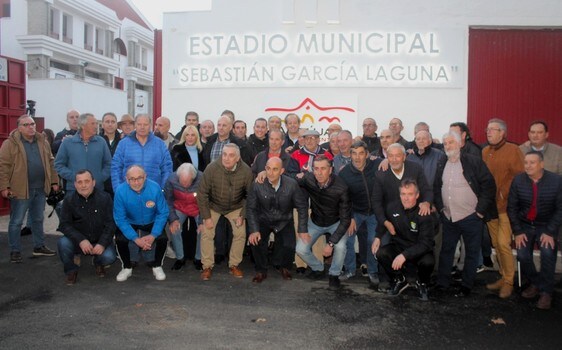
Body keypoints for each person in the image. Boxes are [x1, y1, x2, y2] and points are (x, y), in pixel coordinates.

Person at [434, 131, 497, 297]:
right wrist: (441, 209)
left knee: (471, 252)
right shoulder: (442, 163)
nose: (448, 146)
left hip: (471, 217)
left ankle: (466, 285)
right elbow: (436, 187)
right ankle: (442, 283)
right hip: (449, 217)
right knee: (446, 251)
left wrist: (480, 212)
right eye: (445, 143)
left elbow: (489, 186)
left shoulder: (473, 162)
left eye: (451, 143)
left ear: (460, 144)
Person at [0, 115, 59, 262]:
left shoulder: (42, 141)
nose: (31, 127)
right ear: (19, 128)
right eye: (26, 125)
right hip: (20, 190)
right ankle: (15, 251)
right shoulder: (10, 144)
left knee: (38, 219)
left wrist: (54, 181)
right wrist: (4, 186)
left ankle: (39, 247)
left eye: (32, 124)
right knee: (17, 221)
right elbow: (3, 166)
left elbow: (51, 163)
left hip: (40, 189)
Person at [508, 151, 562, 310]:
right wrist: (517, 231)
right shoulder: (518, 180)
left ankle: (546, 293)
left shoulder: (557, 181)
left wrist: (551, 231)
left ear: (542, 164)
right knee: (523, 255)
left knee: (547, 253)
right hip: (525, 225)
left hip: (546, 225)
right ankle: (536, 283)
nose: (528, 166)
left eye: (532, 162)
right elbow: (512, 208)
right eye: (526, 162)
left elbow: (560, 209)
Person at [197, 143, 253, 280]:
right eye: (224, 154)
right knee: (207, 232)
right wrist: (206, 217)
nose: (227, 158)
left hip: (236, 206)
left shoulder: (246, 171)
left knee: (240, 233)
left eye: (231, 155)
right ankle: (207, 266)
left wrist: (242, 215)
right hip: (214, 205)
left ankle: (234, 264)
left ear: (238, 158)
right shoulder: (211, 168)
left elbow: (250, 196)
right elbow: (202, 193)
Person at [247, 157, 308, 283]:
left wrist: (302, 229)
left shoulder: (292, 184)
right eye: (268, 169)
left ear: (282, 171)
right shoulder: (257, 184)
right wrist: (254, 229)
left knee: (289, 245)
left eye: (275, 169)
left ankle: (284, 267)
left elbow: (302, 206)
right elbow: (251, 208)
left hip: (284, 220)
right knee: (256, 241)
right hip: (263, 219)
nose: (271, 172)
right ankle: (261, 270)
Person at [482, 118, 524, 299]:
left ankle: (509, 281)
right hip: (490, 208)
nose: (489, 132)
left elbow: (519, 175)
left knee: (502, 243)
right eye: (488, 129)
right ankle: (503, 276)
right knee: (495, 244)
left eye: (493, 129)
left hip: (506, 207)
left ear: (503, 133)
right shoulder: (485, 151)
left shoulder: (514, 150)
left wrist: (502, 193)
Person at [372, 179, 435, 300]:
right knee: (381, 253)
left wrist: (404, 256)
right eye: (403, 194)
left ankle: (422, 283)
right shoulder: (392, 207)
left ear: (417, 195)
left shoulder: (424, 213)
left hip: (419, 249)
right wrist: (377, 237)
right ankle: (399, 279)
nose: (406, 198)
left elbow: (426, 243)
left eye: (410, 194)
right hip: (400, 245)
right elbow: (383, 221)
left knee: (428, 262)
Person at [296, 155, 352, 290]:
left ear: (330, 170)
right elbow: (290, 178)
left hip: (336, 222)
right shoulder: (309, 179)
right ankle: (318, 269)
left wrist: (331, 243)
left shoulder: (342, 188)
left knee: (340, 247)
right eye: (316, 169)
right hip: (315, 221)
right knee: (300, 249)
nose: (319, 173)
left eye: (323, 169)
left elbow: (345, 220)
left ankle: (334, 275)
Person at [57, 170, 117, 285]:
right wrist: (81, 240)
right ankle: (71, 270)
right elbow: (64, 225)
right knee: (62, 243)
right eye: (79, 182)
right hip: (78, 241)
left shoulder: (105, 198)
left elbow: (111, 223)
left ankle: (97, 261)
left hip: (98, 240)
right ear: (75, 184)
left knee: (109, 257)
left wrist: (102, 243)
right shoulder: (69, 200)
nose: (83, 185)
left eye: (87, 181)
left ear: (93, 182)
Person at [113, 165, 169, 281]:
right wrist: (135, 239)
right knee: (120, 239)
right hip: (130, 221)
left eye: (139, 178)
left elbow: (162, 213)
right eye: (132, 179)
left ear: (145, 177)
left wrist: (153, 234)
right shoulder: (120, 191)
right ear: (127, 180)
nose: (136, 182)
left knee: (162, 238)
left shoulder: (155, 188)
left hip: (151, 220)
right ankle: (127, 267)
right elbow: (120, 218)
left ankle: (157, 265)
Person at [338, 141, 382, 286]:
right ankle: (349, 269)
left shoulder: (377, 165)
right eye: (354, 154)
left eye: (361, 153)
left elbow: (394, 161)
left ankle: (372, 271)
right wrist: (350, 217)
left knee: (372, 241)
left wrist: (387, 160)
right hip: (355, 212)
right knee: (347, 240)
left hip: (374, 212)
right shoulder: (344, 173)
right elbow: (344, 199)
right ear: (350, 155)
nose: (357, 157)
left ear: (367, 154)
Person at [111, 114, 173, 191]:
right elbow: (116, 167)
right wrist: (118, 189)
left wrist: (163, 190)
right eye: (139, 124)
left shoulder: (160, 144)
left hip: (153, 192)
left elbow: (167, 168)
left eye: (145, 124)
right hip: (128, 191)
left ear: (150, 126)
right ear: (135, 126)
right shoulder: (123, 144)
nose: (142, 127)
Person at [55, 113, 112, 195]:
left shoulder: (101, 142)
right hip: (73, 190)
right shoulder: (68, 142)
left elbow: (109, 164)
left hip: (97, 189)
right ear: (83, 126)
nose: (96, 126)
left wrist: (99, 178)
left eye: (96, 123)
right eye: (93, 123)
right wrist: (74, 177)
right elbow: (58, 165)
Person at [164, 163, 203, 271]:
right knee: (174, 228)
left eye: (188, 182)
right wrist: (173, 219)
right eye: (182, 182)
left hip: (198, 207)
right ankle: (180, 258)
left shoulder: (202, 178)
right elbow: (168, 200)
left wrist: (201, 222)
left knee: (203, 230)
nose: (185, 185)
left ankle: (199, 258)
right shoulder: (171, 179)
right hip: (180, 206)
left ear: (194, 178)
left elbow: (206, 201)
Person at [99, 112, 121, 196]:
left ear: (116, 124)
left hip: (119, 183)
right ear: (103, 124)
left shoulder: (123, 141)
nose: (110, 124)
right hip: (102, 184)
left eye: (113, 122)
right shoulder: (96, 141)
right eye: (107, 122)